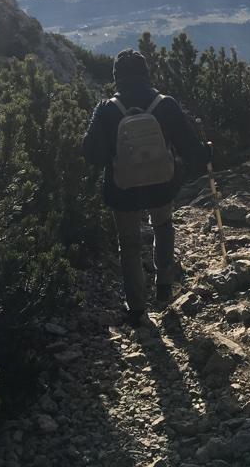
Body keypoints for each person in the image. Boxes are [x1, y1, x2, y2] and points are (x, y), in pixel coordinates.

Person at [82, 49, 212, 326]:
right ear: (146, 73)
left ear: (116, 77)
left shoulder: (106, 109)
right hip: (161, 183)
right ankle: (164, 284)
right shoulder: (165, 104)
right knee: (163, 226)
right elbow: (190, 149)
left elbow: (91, 154)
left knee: (128, 245)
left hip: (122, 189)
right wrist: (206, 153)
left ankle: (137, 308)